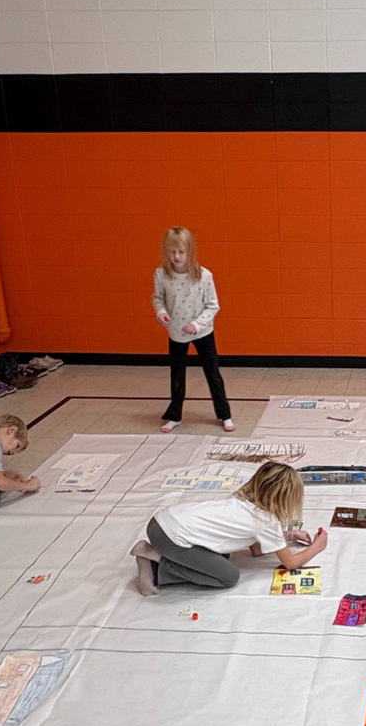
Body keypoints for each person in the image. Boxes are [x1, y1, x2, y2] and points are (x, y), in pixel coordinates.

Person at [130, 461, 326, 596]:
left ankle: (157, 557)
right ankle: (155, 566)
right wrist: (317, 547)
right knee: (228, 576)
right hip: (170, 537)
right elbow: (290, 563)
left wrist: (288, 536)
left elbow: (256, 549)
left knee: (222, 557)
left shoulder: (244, 499)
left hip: (162, 520)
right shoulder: (267, 520)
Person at [153, 226, 233, 435]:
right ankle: (175, 416)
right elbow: (158, 298)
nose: (177, 257)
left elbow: (213, 305)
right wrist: (161, 313)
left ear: (190, 251)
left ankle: (224, 414)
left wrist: (197, 324)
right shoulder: (161, 275)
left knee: (212, 372)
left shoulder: (203, 276)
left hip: (203, 332)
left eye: (181, 252)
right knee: (177, 375)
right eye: (172, 252)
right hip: (176, 333)